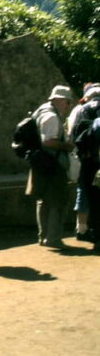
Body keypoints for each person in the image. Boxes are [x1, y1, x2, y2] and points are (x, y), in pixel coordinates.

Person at [25, 85, 75, 249]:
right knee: (58, 201)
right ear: (59, 100)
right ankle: (53, 238)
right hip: (52, 163)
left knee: (43, 200)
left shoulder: (40, 111)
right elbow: (48, 141)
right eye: (68, 102)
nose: (69, 106)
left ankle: (43, 236)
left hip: (40, 162)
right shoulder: (52, 117)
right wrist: (67, 146)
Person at [67, 83, 100, 243]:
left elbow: (72, 134)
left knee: (85, 192)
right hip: (97, 160)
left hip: (85, 159)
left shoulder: (80, 110)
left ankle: (82, 228)